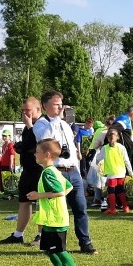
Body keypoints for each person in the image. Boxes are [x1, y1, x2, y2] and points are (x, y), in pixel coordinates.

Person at [32, 90, 97, 255]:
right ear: (46, 106)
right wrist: (57, 119)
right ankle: (58, 244)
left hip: (72, 170)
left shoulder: (65, 124)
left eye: (61, 103)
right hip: (57, 171)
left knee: (80, 208)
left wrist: (76, 165)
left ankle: (85, 242)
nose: (61, 107)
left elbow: (72, 146)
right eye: (56, 104)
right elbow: (46, 142)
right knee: (57, 211)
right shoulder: (42, 123)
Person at [25, 138, 88, 266]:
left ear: (46, 154)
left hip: (56, 219)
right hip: (51, 218)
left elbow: (59, 191)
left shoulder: (49, 173)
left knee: (59, 249)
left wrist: (38, 195)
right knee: (48, 248)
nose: (35, 154)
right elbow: (69, 186)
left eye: (37, 152)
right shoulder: (53, 171)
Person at [1, 97, 44, 246]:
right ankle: (18, 235)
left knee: (41, 202)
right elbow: (28, 145)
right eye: (23, 110)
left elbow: (41, 143)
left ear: (38, 110)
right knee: (24, 201)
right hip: (28, 168)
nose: (25, 113)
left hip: (39, 169)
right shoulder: (28, 126)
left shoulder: (42, 124)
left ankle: (41, 235)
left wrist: (31, 127)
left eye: (28, 110)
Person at [95, 127, 133, 215]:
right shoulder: (121, 147)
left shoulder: (105, 148)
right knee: (120, 190)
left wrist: (98, 163)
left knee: (111, 191)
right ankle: (125, 207)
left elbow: (98, 158)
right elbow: (126, 160)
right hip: (121, 172)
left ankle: (112, 209)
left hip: (112, 173)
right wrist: (130, 172)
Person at [0, 129, 15, 194]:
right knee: (4, 179)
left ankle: (10, 192)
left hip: (8, 165)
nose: (4, 137)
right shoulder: (4, 145)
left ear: (9, 136)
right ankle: (5, 192)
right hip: (3, 164)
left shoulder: (11, 145)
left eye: (5, 136)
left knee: (9, 179)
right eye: (3, 136)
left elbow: (12, 155)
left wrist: (11, 165)